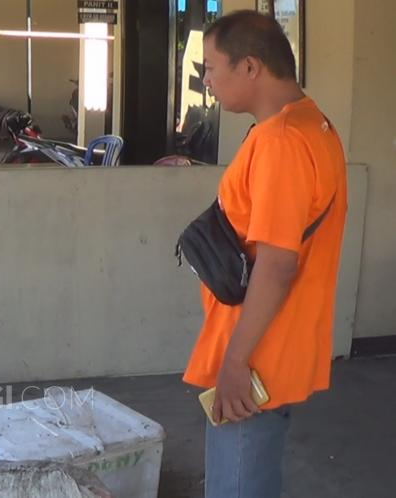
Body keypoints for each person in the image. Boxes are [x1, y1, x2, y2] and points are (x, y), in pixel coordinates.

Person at [182, 11, 347, 498]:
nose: (206, 80)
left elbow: (277, 264)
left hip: (256, 354)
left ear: (250, 67)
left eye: (211, 68)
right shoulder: (313, 123)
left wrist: (235, 363)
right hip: (280, 342)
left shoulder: (281, 141)